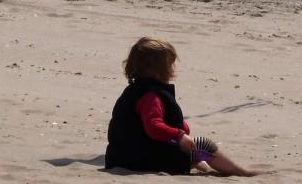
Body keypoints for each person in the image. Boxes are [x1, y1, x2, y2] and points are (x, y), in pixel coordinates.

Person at [105, 36, 254, 176]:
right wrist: (179, 136)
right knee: (202, 145)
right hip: (142, 161)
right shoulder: (151, 96)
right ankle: (240, 172)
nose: (173, 69)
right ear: (158, 70)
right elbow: (153, 127)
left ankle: (204, 167)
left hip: (123, 157)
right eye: (170, 64)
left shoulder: (135, 90)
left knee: (190, 150)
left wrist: (181, 129)